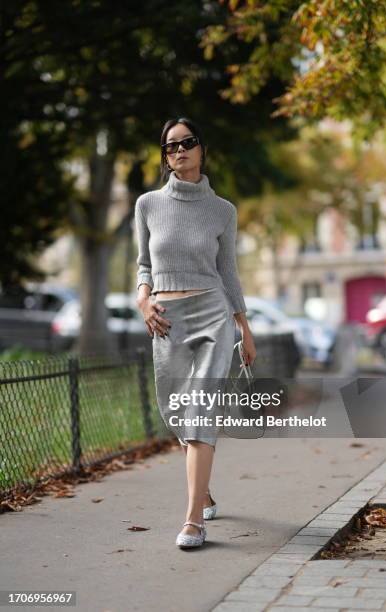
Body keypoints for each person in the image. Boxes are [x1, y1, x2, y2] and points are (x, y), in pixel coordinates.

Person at [135, 117, 256, 549]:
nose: (179, 151)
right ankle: (201, 490)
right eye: (170, 146)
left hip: (213, 313)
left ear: (203, 150)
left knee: (199, 410)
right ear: (165, 156)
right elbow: (143, 264)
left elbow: (229, 272)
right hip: (167, 316)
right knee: (175, 413)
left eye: (188, 143)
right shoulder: (147, 204)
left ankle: (192, 522)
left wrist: (243, 326)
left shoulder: (223, 210)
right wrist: (143, 299)